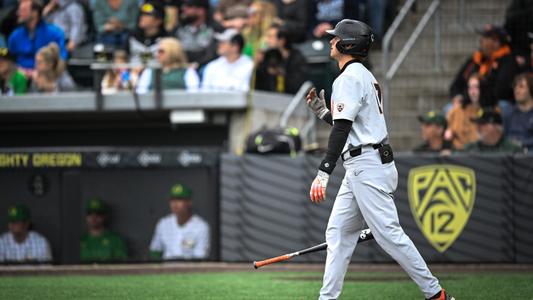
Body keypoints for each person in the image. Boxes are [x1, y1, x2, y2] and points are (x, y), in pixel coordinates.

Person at [304, 19, 454, 300]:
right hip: (365, 162)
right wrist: (323, 112)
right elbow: (351, 124)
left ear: (348, 44)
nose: (330, 41)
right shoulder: (363, 75)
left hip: (366, 165)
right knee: (338, 232)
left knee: (389, 235)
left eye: (335, 38)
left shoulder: (348, 78)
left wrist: (324, 171)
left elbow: (343, 129)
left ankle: (436, 294)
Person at [449, 25, 519, 111]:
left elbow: (501, 91)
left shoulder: (507, 61)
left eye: (486, 37)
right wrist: (458, 96)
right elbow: (457, 84)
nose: (481, 40)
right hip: (469, 101)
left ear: (496, 42)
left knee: (503, 107)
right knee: (449, 109)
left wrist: (477, 99)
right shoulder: (474, 59)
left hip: (493, 104)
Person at [149, 183, 210, 260]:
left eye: (179, 200)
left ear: (189, 202)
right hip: (166, 268)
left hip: (189, 269)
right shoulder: (163, 223)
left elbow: (200, 257)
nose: (175, 204)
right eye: (172, 200)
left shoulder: (201, 226)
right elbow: (155, 251)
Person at [7, 0, 67, 70]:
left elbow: (61, 59)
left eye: (23, 10)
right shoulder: (15, 36)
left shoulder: (55, 34)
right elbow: (9, 57)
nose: (18, 13)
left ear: (35, 12)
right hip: (21, 77)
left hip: (47, 76)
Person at [255, 24, 307, 94]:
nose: (267, 40)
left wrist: (280, 73)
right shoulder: (267, 57)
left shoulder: (297, 58)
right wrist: (257, 65)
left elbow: (297, 86)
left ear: (282, 40)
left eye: (270, 37)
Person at [135, 37, 200, 93]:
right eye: (157, 51)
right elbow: (141, 93)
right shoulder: (149, 71)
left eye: (161, 51)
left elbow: (194, 94)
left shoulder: (188, 72)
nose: (157, 55)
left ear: (173, 52)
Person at [444, 73, 483, 150]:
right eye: (470, 88)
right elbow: (448, 134)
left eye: (476, 87)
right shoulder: (457, 111)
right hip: (460, 154)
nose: (473, 92)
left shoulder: (492, 110)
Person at [175, 0, 217, 67]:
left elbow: (213, 54)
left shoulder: (215, 29)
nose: (183, 8)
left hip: (206, 67)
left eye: (189, 6)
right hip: (181, 67)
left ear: (201, 10)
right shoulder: (178, 29)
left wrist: (199, 64)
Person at [504, 72, 533, 152]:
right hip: (511, 154)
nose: (516, 90)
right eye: (515, 87)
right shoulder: (508, 112)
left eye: (521, 87)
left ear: (531, 89)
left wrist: (522, 143)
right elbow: (504, 136)